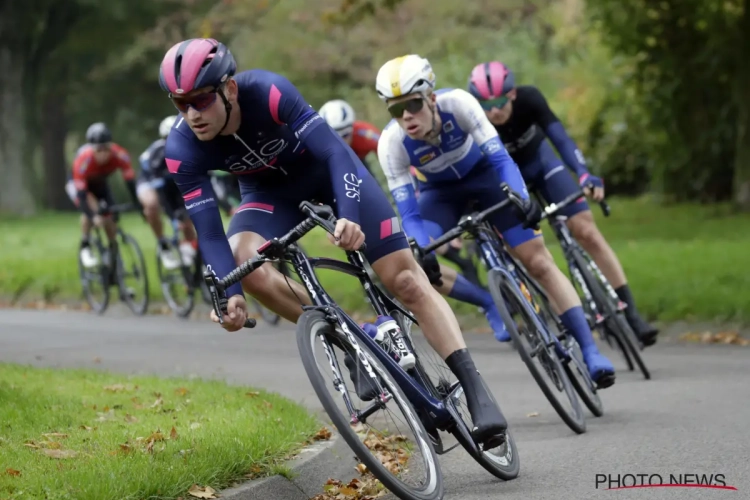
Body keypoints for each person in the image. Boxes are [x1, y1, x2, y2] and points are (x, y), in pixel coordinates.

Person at [158, 38, 509, 447]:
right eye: (180, 104)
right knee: (244, 262)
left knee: (407, 281)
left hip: (335, 176)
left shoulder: (269, 92)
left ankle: (474, 385)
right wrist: (230, 294)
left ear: (229, 89)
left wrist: (349, 216)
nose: (192, 115)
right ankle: (352, 338)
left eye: (200, 100)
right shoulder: (181, 147)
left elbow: (335, 153)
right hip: (268, 198)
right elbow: (211, 231)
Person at [375, 54, 615, 387]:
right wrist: (422, 246)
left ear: (431, 97)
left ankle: (590, 351)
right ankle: (488, 301)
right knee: (414, 260)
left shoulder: (459, 104)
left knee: (539, 262)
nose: (406, 116)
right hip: (440, 197)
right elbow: (410, 214)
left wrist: (522, 198)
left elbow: (501, 159)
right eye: (394, 109)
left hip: (486, 179)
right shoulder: (391, 144)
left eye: (413, 104)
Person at [467, 61, 658, 346]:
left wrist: (583, 174)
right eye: (485, 104)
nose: (493, 110)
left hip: (543, 166)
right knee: (532, 255)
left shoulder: (530, 98)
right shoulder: (470, 118)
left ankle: (631, 313)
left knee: (587, 231)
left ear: (513, 94)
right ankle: (566, 319)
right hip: (508, 180)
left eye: (498, 101)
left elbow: (560, 138)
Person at [72, 123, 141, 268]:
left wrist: (137, 203)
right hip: (81, 186)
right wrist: (93, 216)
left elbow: (130, 181)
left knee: (110, 216)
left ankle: (112, 254)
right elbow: (83, 196)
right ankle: (85, 245)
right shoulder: (84, 161)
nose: (103, 154)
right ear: (92, 149)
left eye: (106, 149)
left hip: (100, 184)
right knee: (93, 212)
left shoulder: (119, 155)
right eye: (99, 150)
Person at [136, 115, 197, 270]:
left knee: (187, 221)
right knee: (152, 205)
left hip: (171, 183)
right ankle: (163, 244)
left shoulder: (190, 150)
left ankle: (189, 260)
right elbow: (160, 191)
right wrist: (173, 219)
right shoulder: (159, 152)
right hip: (149, 181)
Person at [319, 99, 381, 173]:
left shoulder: (363, 133)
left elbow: (385, 149)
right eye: (335, 137)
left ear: (352, 128)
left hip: (359, 161)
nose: (342, 142)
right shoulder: (319, 144)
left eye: (345, 135)